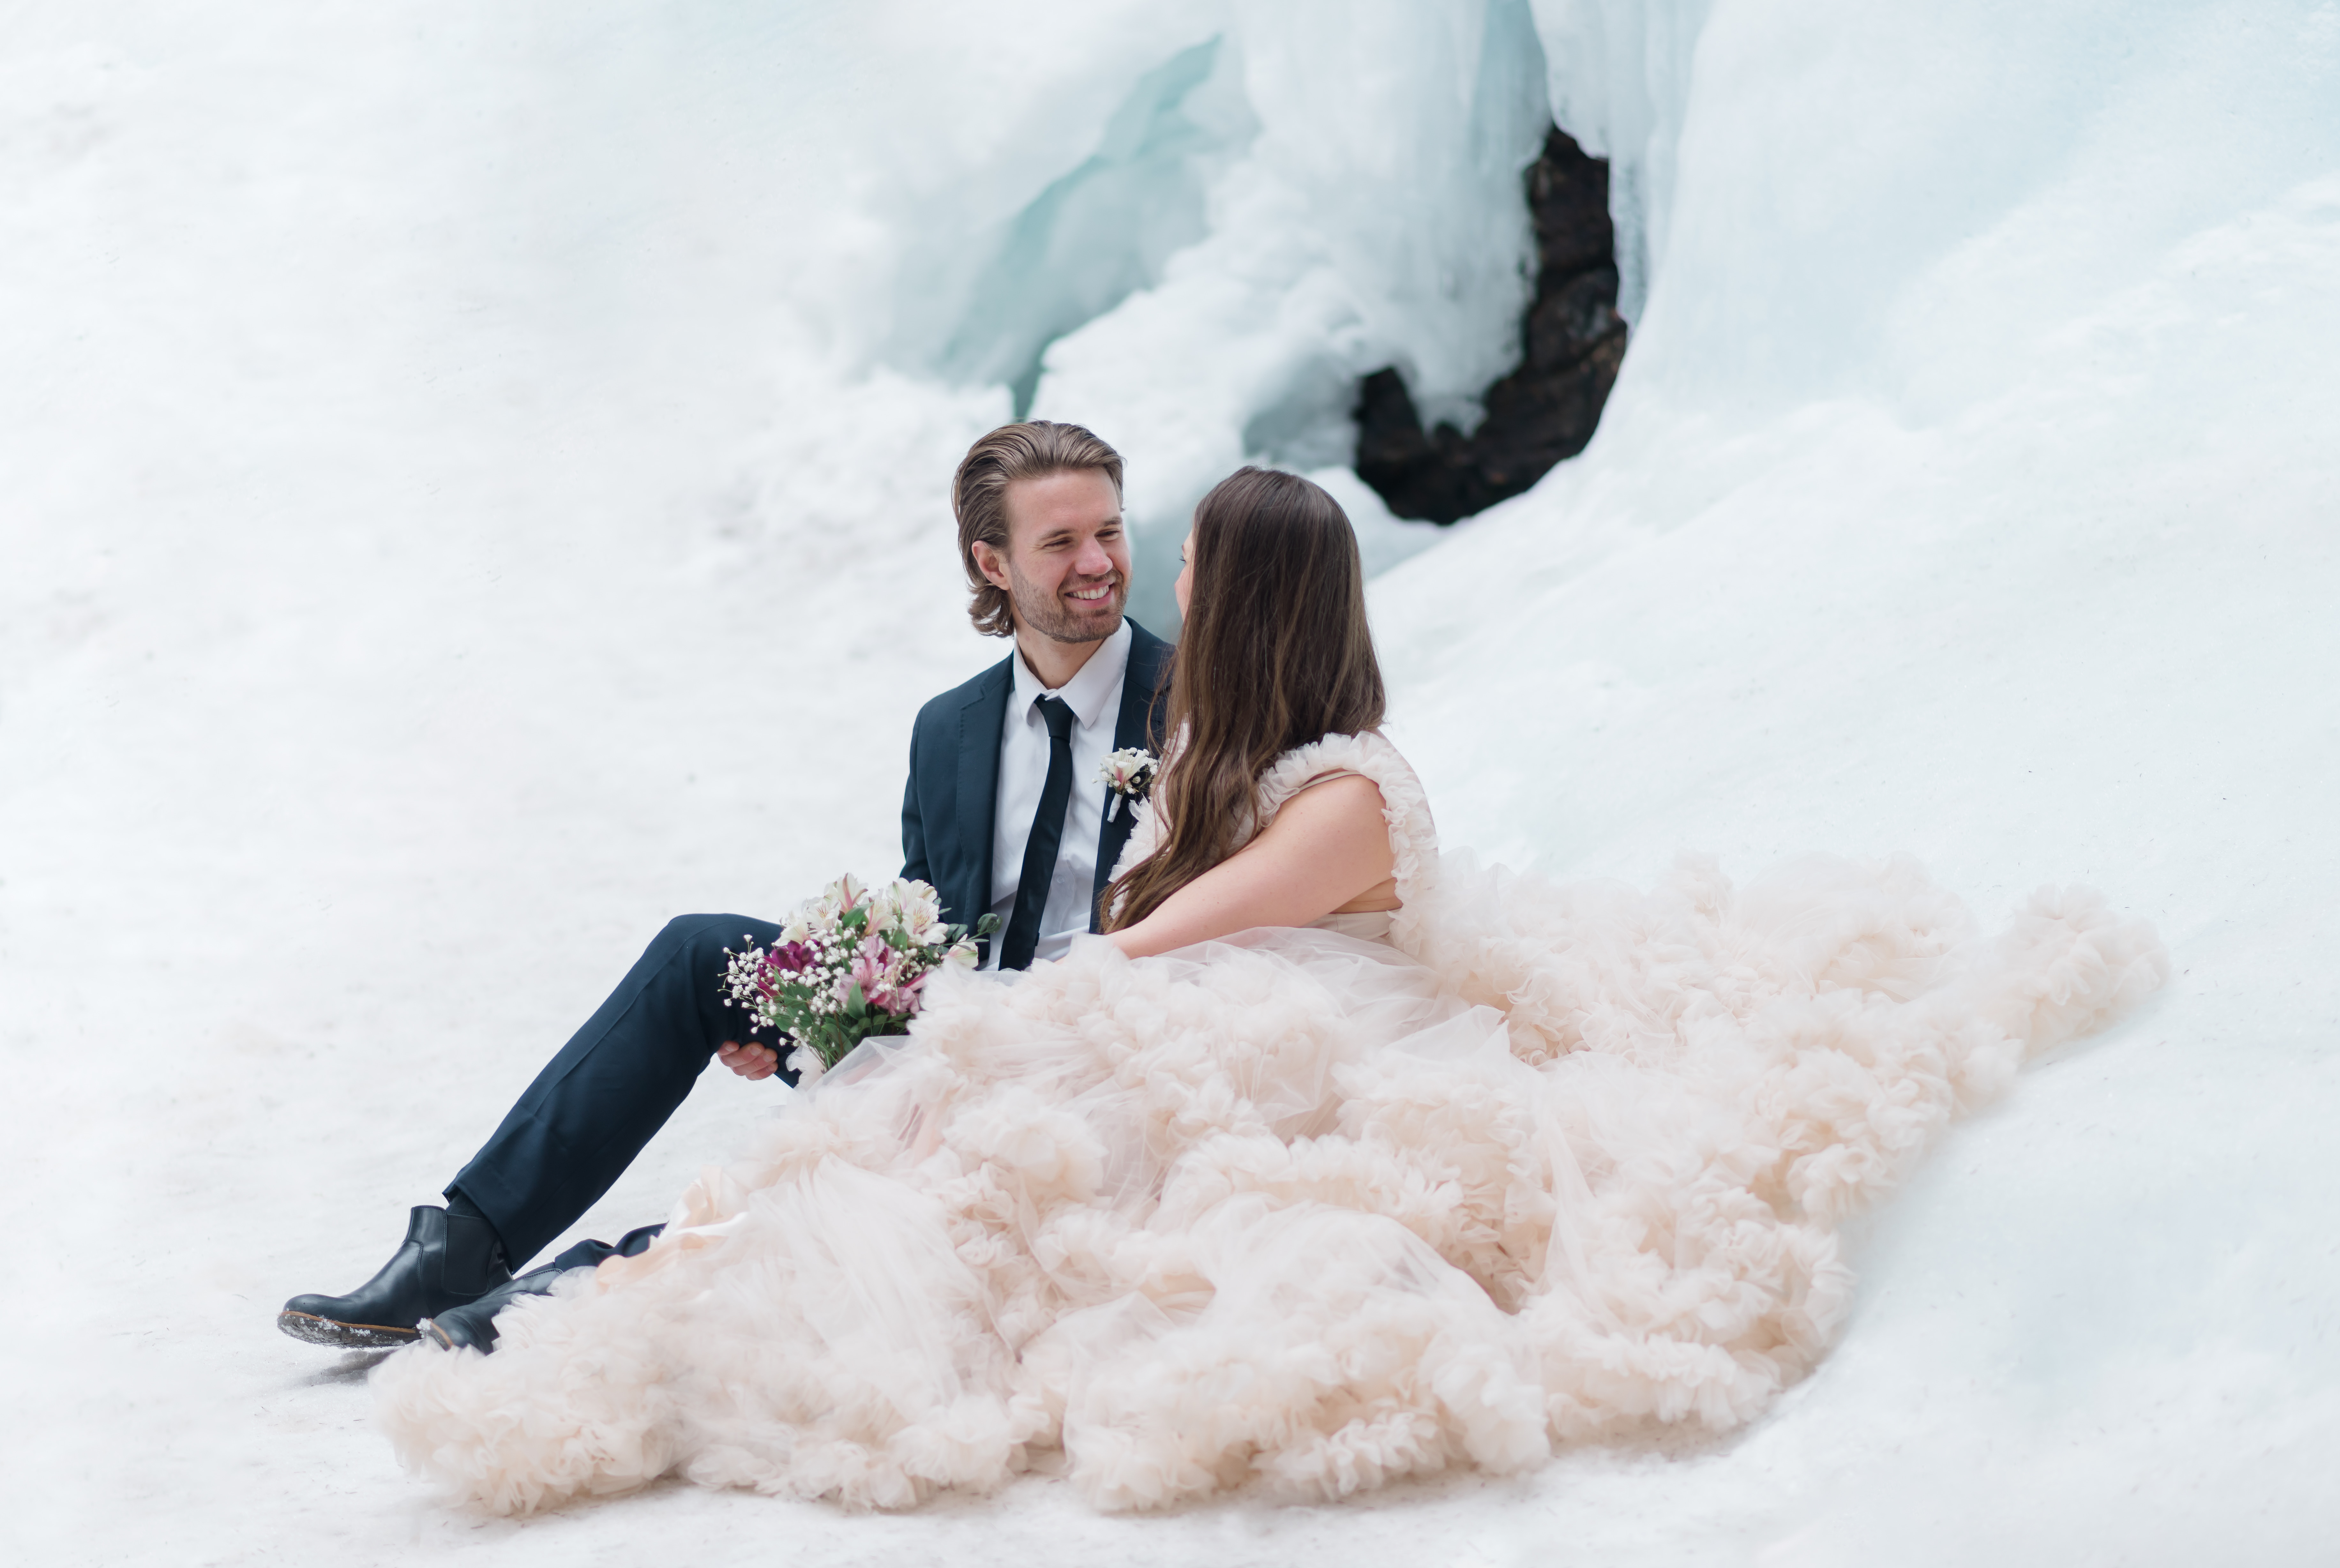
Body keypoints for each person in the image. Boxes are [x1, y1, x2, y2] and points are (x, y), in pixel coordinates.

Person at [372, 466, 2168, 1515]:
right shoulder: (1073, 742)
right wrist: (889, 985)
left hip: (1221, 1051)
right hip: (1103, 1015)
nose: (1142, 579)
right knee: (777, 1009)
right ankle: (491, 1248)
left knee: (947, 1159)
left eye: (1178, 569)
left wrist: (987, 1019)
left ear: (1244, 606)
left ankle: (596, 1286)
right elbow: (1047, 925)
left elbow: (1152, 948)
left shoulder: (1337, 789)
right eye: (1086, 551)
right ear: (987, 567)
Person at [278, 419, 1171, 1348]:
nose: (1097, 562)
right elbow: (932, 919)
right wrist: (829, 1028)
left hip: (1078, 1064)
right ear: (993, 565)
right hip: (944, 1026)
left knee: (843, 1186)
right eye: (1060, 543)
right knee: (699, 953)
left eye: (1108, 532)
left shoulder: (1190, 703)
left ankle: (576, 1292)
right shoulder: (950, 727)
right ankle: (465, 1244)